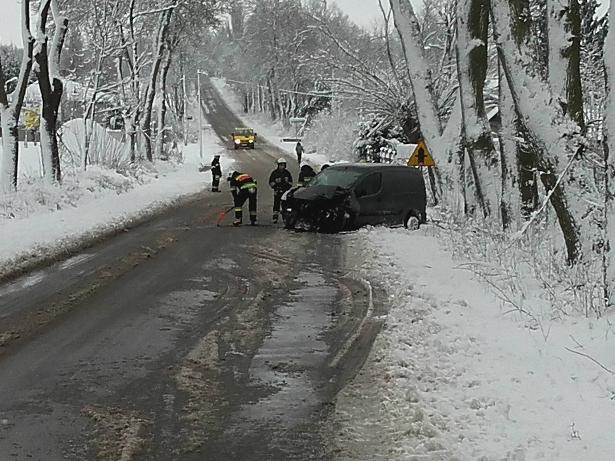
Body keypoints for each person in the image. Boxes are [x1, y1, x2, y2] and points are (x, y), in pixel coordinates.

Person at [269, 158, 293, 223]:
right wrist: (275, 186)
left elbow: (291, 183)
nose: (282, 166)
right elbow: (271, 182)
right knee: (276, 204)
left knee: (285, 205)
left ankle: (285, 218)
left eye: (283, 165)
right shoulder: (274, 173)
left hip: (285, 192)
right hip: (277, 191)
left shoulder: (287, 173)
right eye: (281, 165)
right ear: (278, 165)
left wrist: (287, 184)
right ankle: (275, 218)